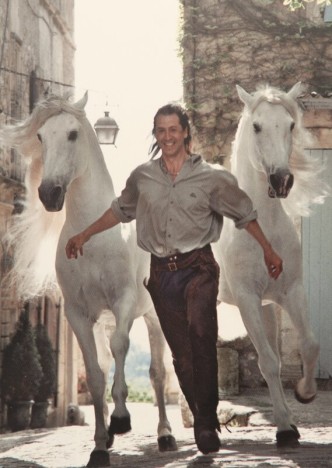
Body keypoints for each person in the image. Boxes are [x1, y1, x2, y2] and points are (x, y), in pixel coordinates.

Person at [65, 103, 283, 455]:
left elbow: (245, 213)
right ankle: (201, 414)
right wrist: (83, 235)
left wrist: (269, 251)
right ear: (156, 135)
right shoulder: (142, 177)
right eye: (161, 130)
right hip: (161, 277)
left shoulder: (212, 177)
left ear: (185, 133)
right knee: (181, 355)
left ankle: (207, 422)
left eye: (173, 130)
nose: (167, 136)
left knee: (200, 336)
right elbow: (119, 211)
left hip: (199, 268)